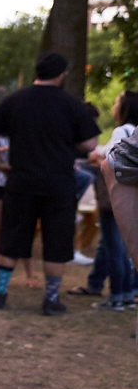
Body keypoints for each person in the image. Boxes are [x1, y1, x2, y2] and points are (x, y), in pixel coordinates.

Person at [0, 52, 100, 314]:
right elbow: (91, 143)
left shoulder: (15, 100)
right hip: (59, 183)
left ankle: (0, 292)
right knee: (57, 241)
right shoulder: (71, 104)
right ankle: (51, 299)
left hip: (21, 180)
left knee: (12, 236)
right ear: (61, 74)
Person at [72, 91, 138, 310]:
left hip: (115, 197)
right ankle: (127, 294)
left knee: (115, 247)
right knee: (123, 247)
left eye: (117, 102)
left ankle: (117, 296)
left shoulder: (121, 131)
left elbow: (111, 160)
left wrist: (96, 157)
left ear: (125, 108)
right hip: (132, 196)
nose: (114, 106)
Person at [0, 136, 38, 288]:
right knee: (0, 231)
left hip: (21, 184)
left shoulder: (24, 130)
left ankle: (30, 275)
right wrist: (5, 149)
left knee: (25, 230)